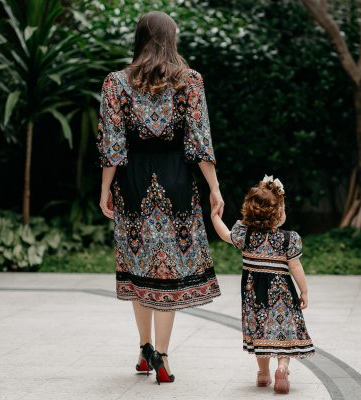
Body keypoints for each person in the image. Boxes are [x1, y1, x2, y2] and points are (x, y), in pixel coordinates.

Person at [96, 11, 223, 384]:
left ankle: (143, 348)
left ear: (139, 38)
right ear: (172, 39)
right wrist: (214, 187)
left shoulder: (115, 83)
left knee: (139, 265)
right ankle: (163, 357)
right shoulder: (190, 82)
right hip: (177, 181)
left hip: (132, 182)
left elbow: (112, 145)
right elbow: (199, 142)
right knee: (167, 267)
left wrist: (105, 188)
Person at [211, 175, 315, 395]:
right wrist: (303, 290)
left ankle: (263, 374)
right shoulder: (289, 239)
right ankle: (282, 367)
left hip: (254, 295)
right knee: (284, 331)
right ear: (278, 213)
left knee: (260, 331)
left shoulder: (244, 235)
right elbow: (295, 267)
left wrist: (214, 217)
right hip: (282, 295)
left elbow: (225, 235)